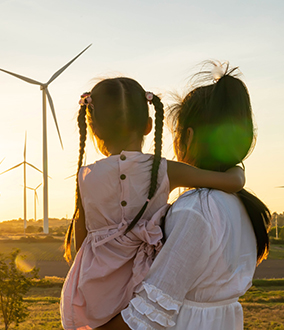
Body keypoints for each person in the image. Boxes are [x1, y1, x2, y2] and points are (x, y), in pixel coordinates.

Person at [60, 77, 246, 330]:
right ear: (148, 126)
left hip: (94, 281)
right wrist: (238, 171)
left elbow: (81, 238)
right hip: (141, 275)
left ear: (94, 129)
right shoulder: (162, 169)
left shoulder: (87, 177)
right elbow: (228, 182)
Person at [96, 63, 271, 330]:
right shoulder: (243, 206)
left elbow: (150, 312)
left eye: (177, 134)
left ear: (188, 137)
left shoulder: (196, 209)